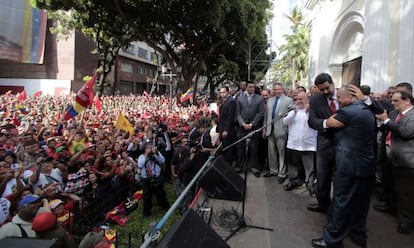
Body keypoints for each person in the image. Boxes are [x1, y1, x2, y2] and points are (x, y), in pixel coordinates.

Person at [311, 86, 376, 248]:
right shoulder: (366, 109)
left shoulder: (347, 112)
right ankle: (357, 234)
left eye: (339, 97)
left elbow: (328, 123)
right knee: (360, 204)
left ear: (350, 97)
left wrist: (315, 119)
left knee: (342, 201)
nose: (337, 101)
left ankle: (332, 239)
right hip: (365, 165)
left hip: (349, 165)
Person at [376, 90, 414, 234]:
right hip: (389, 155)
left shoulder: (412, 115)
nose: (392, 103)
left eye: (396, 101)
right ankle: (391, 207)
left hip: (406, 160)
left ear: (407, 101)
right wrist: (382, 122)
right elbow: (386, 127)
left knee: (406, 192)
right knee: (390, 185)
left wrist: (386, 121)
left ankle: (406, 221)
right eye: (392, 100)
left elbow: (405, 132)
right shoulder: (394, 114)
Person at [307, 73, 338, 213]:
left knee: (339, 180)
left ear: (332, 83)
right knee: (322, 178)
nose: (325, 92)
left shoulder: (346, 96)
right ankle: (322, 204)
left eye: (327, 88)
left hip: (344, 145)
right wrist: (326, 123)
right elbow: (312, 121)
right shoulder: (315, 100)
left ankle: (338, 208)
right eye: (322, 90)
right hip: (324, 144)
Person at [282, 92, 317, 192]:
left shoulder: (312, 111)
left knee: (309, 167)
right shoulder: (292, 111)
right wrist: (294, 112)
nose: (298, 101)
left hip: (308, 145)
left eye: (301, 99)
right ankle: (293, 181)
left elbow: (315, 123)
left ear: (307, 100)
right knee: (292, 165)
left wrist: (309, 111)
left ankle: (310, 185)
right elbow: (285, 122)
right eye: (296, 99)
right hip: (293, 144)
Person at [262, 83, 294, 183]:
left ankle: (281, 173)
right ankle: (273, 170)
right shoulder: (270, 100)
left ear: (282, 89)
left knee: (281, 152)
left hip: (281, 130)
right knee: (271, 152)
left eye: (279, 89)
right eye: (275, 89)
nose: (277, 91)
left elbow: (292, 113)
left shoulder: (288, 100)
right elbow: (266, 116)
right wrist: (264, 128)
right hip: (269, 130)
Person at [235, 81, 264, 177]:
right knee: (240, 147)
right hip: (242, 127)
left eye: (253, 87)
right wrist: (243, 124)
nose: (252, 88)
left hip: (254, 127)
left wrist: (252, 124)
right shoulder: (239, 98)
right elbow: (237, 113)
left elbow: (260, 113)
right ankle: (240, 166)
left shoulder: (259, 99)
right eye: (250, 87)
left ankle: (254, 167)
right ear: (246, 87)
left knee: (254, 147)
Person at [137, 142, 170, 218]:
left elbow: (162, 161)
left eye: (152, 147)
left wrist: (157, 154)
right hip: (146, 179)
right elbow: (140, 165)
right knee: (147, 196)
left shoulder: (156, 154)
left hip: (156, 177)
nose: (151, 149)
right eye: (149, 148)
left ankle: (165, 207)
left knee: (160, 193)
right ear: (145, 149)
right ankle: (147, 213)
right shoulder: (141, 157)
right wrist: (146, 155)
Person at [217, 86, 236, 165]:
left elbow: (230, 117)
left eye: (224, 92)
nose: (222, 94)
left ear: (228, 92)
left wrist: (226, 130)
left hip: (227, 130)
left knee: (228, 149)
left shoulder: (231, 101)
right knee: (225, 148)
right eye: (221, 92)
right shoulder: (224, 101)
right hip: (222, 128)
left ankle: (228, 165)